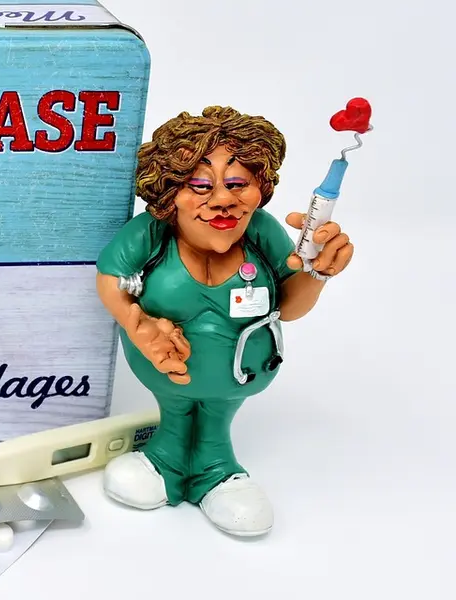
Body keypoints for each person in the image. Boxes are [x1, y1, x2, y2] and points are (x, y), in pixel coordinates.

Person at [95, 106, 355, 537]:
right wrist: (139, 326)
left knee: (215, 417)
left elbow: (288, 308)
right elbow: (111, 281)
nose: (221, 199)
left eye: (238, 184)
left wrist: (317, 274)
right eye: (199, 185)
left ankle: (216, 468)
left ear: (261, 188)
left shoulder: (262, 233)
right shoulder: (152, 233)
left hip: (241, 371)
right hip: (166, 373)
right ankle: (167, 456)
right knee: (178, 410)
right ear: (169, 190)